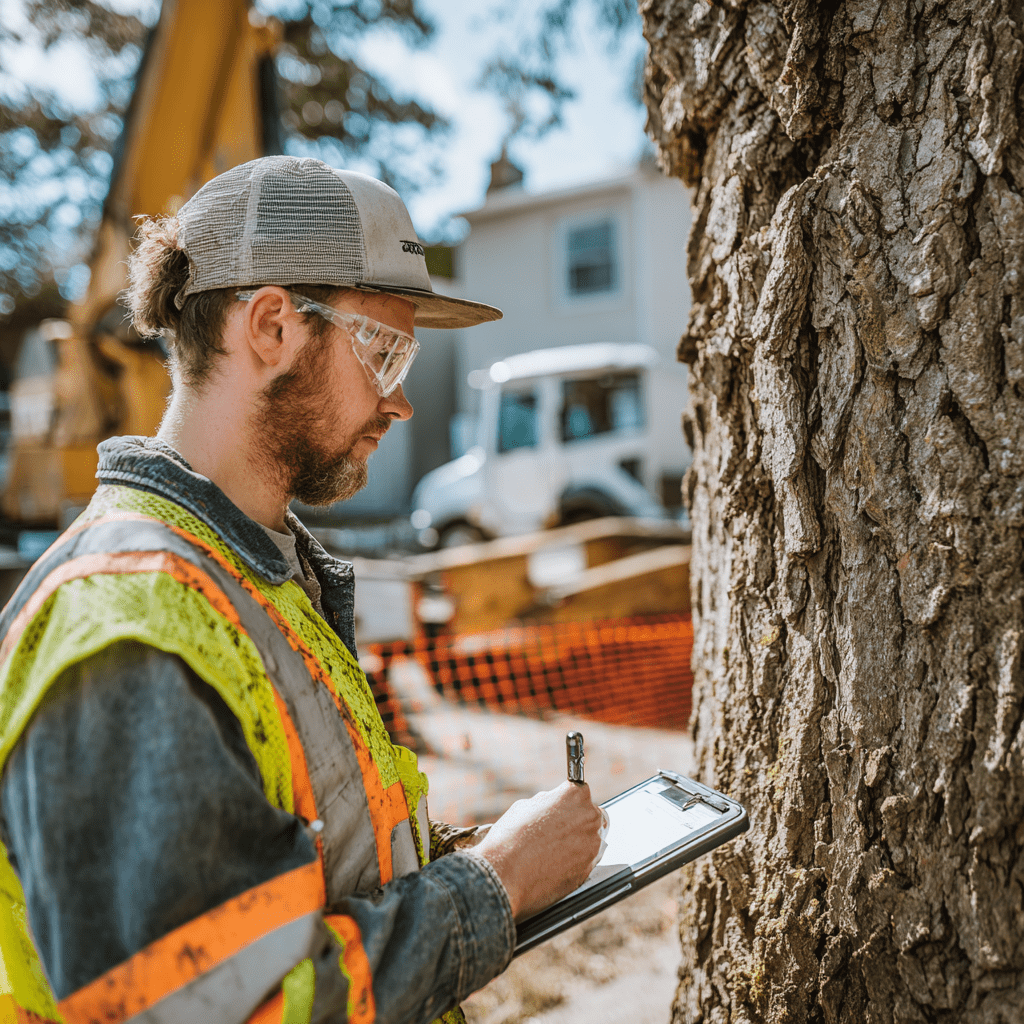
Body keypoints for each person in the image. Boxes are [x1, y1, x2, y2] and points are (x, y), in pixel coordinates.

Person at [0, 156, 604, 1024]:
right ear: (273, 327)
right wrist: (495, 885)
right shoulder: (128, 625)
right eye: (382, 349)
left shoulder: (260, 575)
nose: (397, 402)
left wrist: (471, 857)